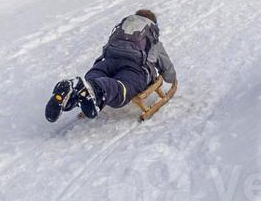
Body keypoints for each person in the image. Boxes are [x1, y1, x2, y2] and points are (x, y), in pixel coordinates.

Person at [46, 10, 177, 122]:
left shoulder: (122, 31)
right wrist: (172, 79)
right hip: (135, 67)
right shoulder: (153, 40)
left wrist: (99, 64)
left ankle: (75, 91)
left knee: (96, 76)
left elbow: (105, 49)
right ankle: (97, 89)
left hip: (108, 60)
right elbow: (168, 72)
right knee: (122, 88)